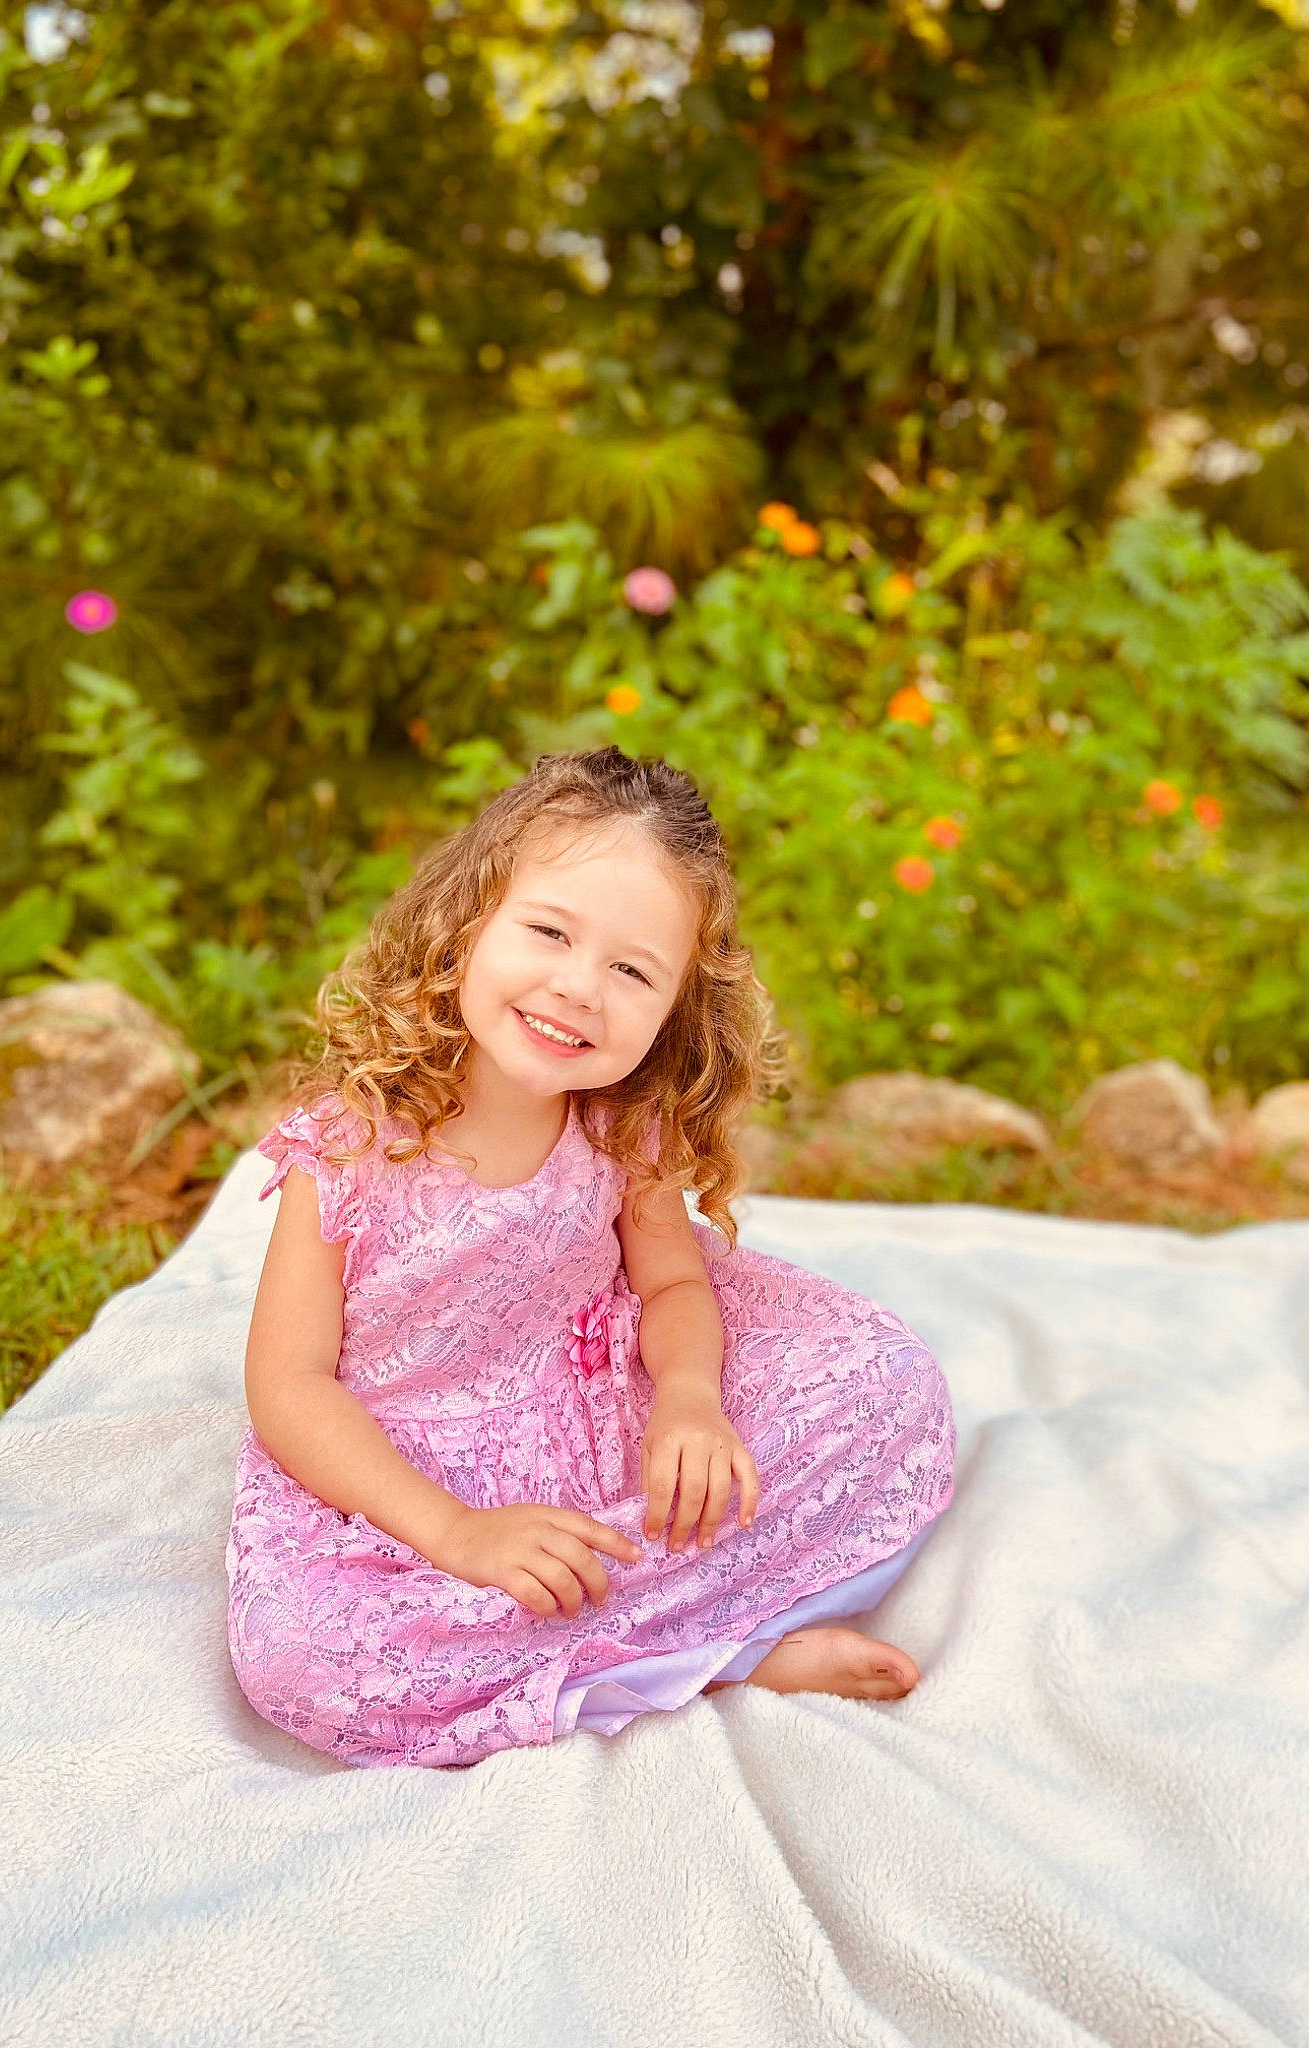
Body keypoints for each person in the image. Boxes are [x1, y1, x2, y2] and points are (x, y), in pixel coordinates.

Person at [224, 745, 957, 1769]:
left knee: (887, 1384)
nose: (578, 988)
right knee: (304, 1658)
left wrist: (690, 1399)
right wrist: (456, 1535)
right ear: (467, 920)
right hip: (407, 1477)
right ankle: (729, 1653)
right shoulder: (349, 1143)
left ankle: (691, 1640)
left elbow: (670, 1280)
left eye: (631, 969)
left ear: (673, 1012)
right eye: (550, 931)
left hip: (601, 1415)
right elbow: (288, 1382)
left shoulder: (621, 1128)